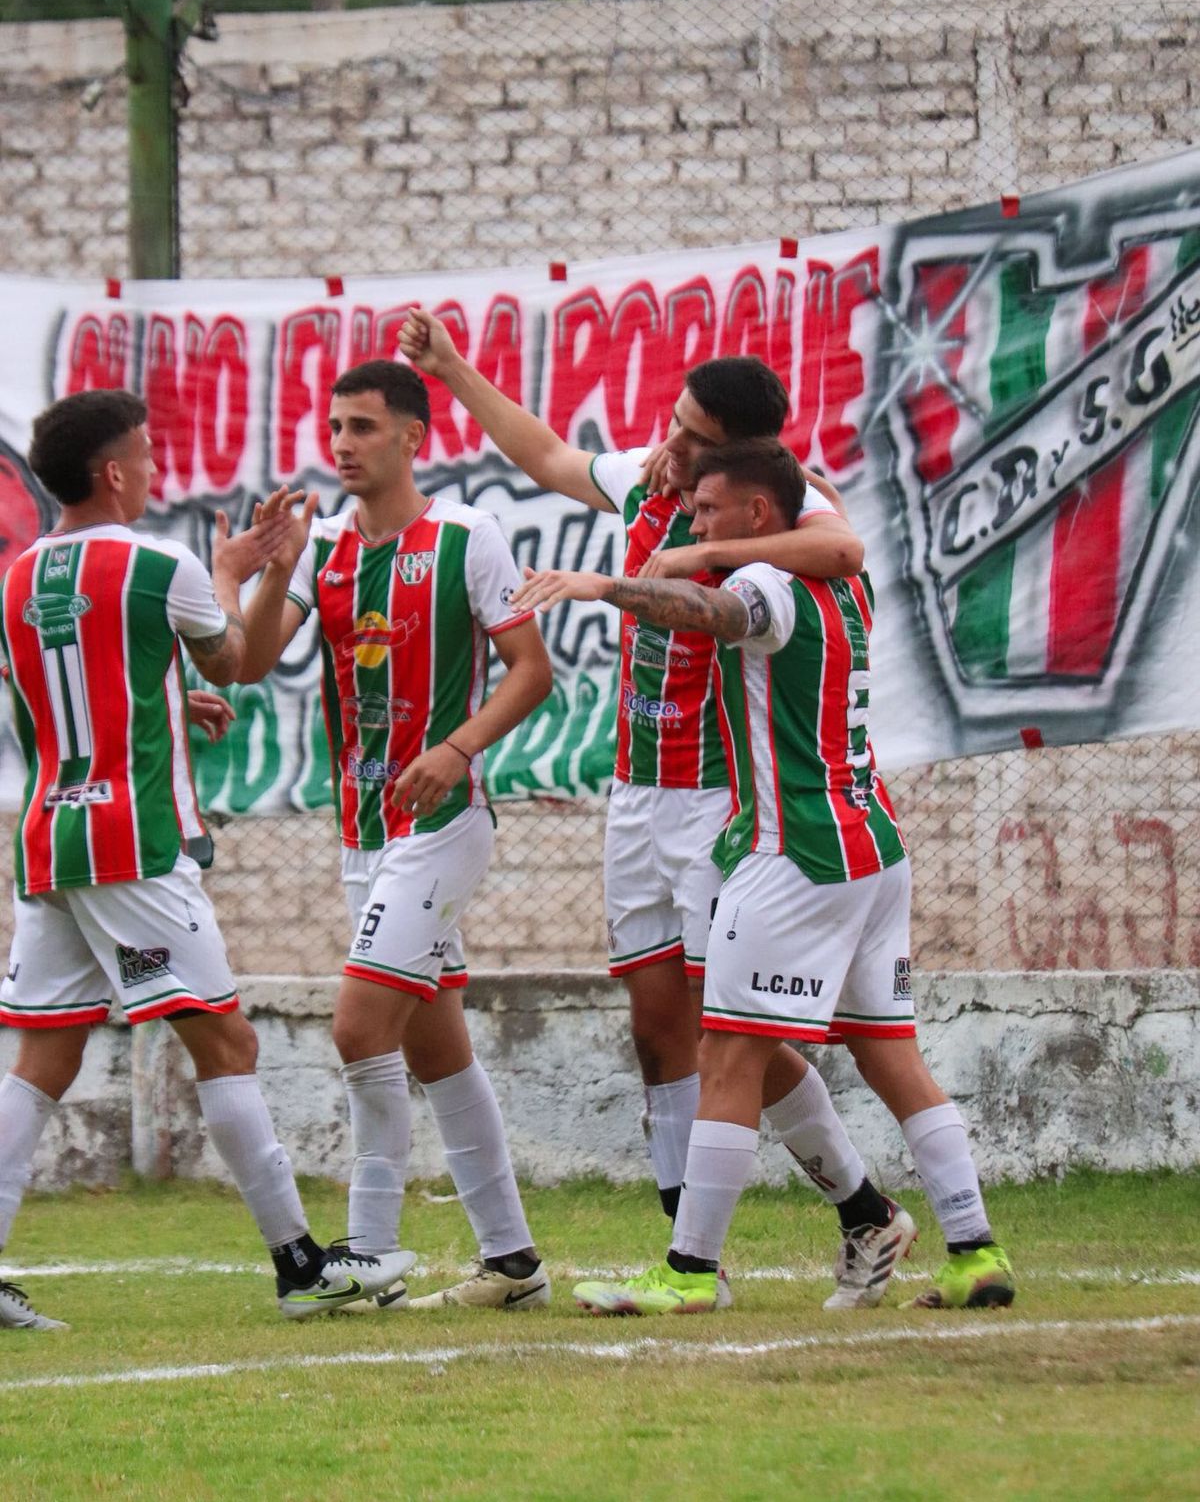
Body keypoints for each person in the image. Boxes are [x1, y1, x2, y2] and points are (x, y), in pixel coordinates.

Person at [400, 314, 917, 1310]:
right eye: (672, 425)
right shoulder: (650, 479)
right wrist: (451, 368)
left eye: (690, 436)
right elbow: (545, 451)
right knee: (656, 1025)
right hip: (637, 792)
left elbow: (843, 544)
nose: (669, 445)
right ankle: (782, 1236)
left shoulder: (765, 512)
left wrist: (683, 565)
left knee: (738, 1032)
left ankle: (785, 1233)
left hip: (725, 797)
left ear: (738, 455)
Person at [512, 440, 1016, 1316]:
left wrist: (606, 586)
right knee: (894, 1057)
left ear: (756, 515)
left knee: (731, 1053)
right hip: (876, 848)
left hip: (795, 857)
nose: (693, 522)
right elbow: (829, 530)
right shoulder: (840, 573)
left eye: (708, 510)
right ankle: (976, 1249)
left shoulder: (770, 588)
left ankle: (690, 1270)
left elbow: (710, 612)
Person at [0, 389, 411, 1328]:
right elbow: (232, 657)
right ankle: (303, 1265)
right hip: (134, 848)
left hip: (49, 842)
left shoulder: (16, 577)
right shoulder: (159, 562)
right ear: (113, 473)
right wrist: (244, 569)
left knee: (42, 1060)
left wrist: (161, 702)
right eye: (144, 455)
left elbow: (54, 682)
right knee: (226, 1041)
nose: (153, 469)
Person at [239, 359, 554, 1312]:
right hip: (362, 837)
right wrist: (276, 568)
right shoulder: (327, 549)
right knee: (433, 1046)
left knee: (357, 1023)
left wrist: (458, 749)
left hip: (443, 827)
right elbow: (251, 661)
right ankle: (513, 1262)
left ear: (415, 436)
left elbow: (531, 670)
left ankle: (368, 1247)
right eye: (334, 426)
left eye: (364, 426)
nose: (342, 443)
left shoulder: (468, 536)